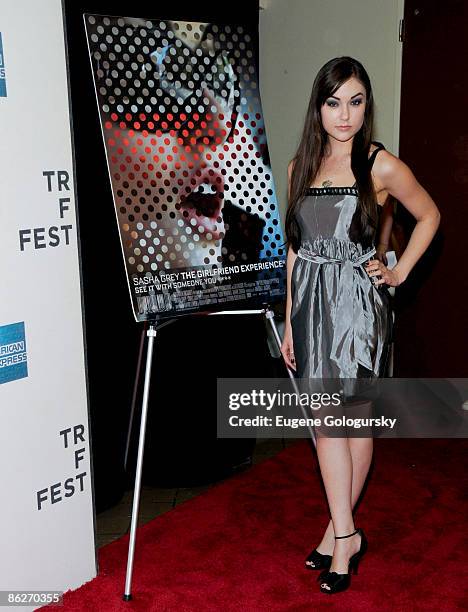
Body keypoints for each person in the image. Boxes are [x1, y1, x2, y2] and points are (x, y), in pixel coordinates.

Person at [280, 56, 440, 594]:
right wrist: (287, 323)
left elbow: (430, 215)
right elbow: (295, 252)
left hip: (356, 306)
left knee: (348, 422)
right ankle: (340, 530)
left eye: (355, 102)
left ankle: (344, 538)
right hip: (309, 307)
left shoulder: (379, 164)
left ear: (366, 105)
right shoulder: (300, 164)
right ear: (318, 106)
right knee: (327, 425)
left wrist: (397, 272)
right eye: (333, 102)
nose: (344, 115)